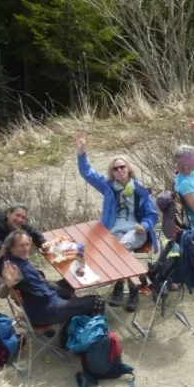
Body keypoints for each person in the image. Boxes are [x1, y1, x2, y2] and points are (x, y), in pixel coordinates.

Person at [75, 131, 159, 312]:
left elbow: (152, 215)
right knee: (111, 248)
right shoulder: (108, 187)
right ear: (111, 173)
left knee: (121, 247)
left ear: (128, 169)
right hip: (112, 229)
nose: (119, 170)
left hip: (136, 231)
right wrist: (82, 153)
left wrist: (144, 225)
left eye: (122, 167)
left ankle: (123, 287)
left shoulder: (140, 190)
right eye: (115, 168)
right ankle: (131, 285)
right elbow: (87, 173)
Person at [0, 229, 105, 335]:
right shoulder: (12, 268)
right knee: (98, 302)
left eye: (27, 244)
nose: (26, 248)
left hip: (45, 299)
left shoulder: (18, 259)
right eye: (21, 245)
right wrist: (7, 285)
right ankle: (91, 337)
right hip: (46, 311)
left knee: (70, 281)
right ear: (11, 248)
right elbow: (2, 294)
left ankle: (69, 329)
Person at [0, 204, 47, 287]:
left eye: (23, 217)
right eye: (17, 215)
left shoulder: (17, 225)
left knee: (38, 276)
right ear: (8, 214)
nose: (20, 219)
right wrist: (2, 246)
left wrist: (43, 242)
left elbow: (33, 230)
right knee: (36, 277)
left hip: (14, 265)